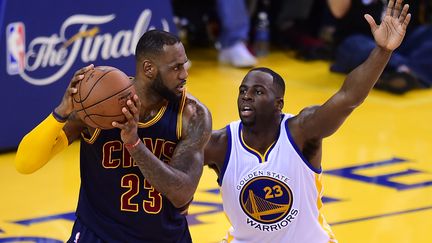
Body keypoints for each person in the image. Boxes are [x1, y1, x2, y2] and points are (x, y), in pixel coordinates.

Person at [204, 0, 410, 242]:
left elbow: (348, 98)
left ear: (278, 104)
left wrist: (383, 51)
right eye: (243, 90)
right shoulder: (220, 144)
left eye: (258, 92)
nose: (247, 96)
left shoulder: (302, 131)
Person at [15, 30, 212, 242]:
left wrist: (134, 144)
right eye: (176, 68)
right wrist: (61, 112)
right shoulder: (98, 107)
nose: (184, 74)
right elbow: (25, 163)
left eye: (184, 65)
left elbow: (182, 193)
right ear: (149, 69)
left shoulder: (191, 114)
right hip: (100, 235)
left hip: (164, 237)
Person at [328, 0, 432, 94]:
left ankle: (398, 72)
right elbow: (338, 11)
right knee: (361, 46)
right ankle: (408, 71)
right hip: (358, 41)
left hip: (400, 43)